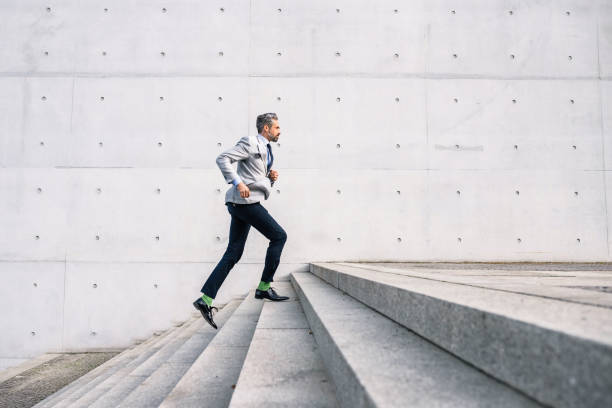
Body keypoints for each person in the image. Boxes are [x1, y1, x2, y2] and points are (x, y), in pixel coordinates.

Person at [193, 113, 289, 329]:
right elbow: (222, 159)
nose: (279, 131)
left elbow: (254, 176)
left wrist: (269, 178)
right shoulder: (249, 142)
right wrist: (238, 183)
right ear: (266, 128)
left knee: (234, 252)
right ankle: (264, 287)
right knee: (279, 236)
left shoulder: (267, 148)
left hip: (242, 204)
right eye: (276, 128)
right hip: (245, 203)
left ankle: (205, 299)